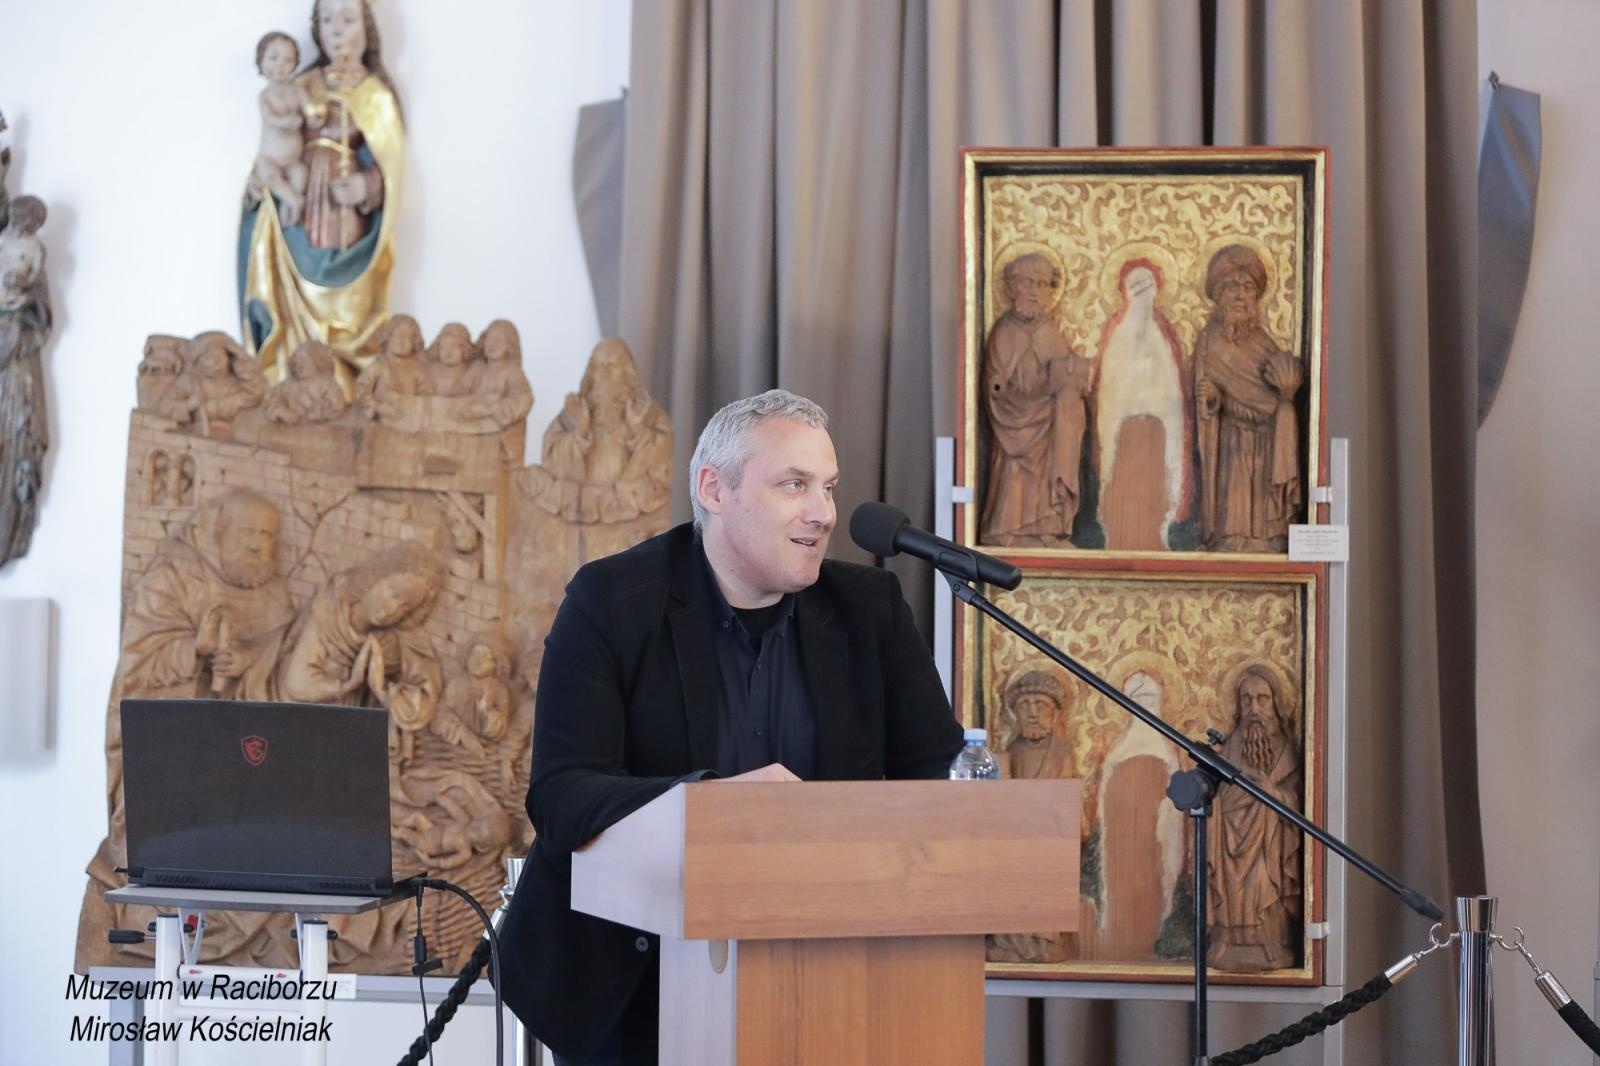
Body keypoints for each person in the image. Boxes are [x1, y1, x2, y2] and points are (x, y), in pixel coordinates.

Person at [497, 389, 963, 1065]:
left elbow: (939, 781)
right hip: (630, 993)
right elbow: (563, 797)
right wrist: (716, 805)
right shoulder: (613, 601)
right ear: (714, 489)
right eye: (793, 485)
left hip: (828, 986)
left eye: (829, 488)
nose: (823, 514)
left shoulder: (870, 611)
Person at [1192, 245, 1303, 552]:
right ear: (1218, 295)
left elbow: (1274, 395)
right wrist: (1212, 399)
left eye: (1248, 288)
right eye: (1232, 287)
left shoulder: (1263, 343)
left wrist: (1285, 396)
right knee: (1235, 483)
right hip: (1230, 435)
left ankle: (1268, 536)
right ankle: (1230, 535)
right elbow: (1204, 396)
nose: (1240, 296)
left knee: (1261, 486)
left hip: (1267, 436)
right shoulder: (1208, 342)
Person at [979, 252, 1094, 547]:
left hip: (1050, 420)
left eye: (1042, 285)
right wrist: (1003, 391)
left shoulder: (1050, 331)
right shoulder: (1004, 330)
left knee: (1058, 442)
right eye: (1028, 282)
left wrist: (1071, 383)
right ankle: (1009, 531)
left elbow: (1064, 371)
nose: (1034, 291)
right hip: (1014, 416)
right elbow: (994, 379)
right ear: (1013, 286)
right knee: (1014, 473)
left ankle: (1048, 528)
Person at [1207, 665, 1303, 971]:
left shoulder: (1286, 749)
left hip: (1268, 844)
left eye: (1262, 699)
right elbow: (1216, 794)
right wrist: (1232, 797)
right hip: (1228, 839)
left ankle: (1270, 940)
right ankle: (1227, 938)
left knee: (1262, 882)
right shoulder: (1230, 747)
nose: (1254, 708)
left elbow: (1295, 800)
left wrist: (1271, 793)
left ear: (1275, 702)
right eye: (1246, 700)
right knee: (1230, 885)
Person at [252, 31, 311, 227]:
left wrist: (315, 116)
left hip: (293, 160)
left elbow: (310, 110)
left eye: (287, 60)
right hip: (270, 159)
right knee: (270, 177)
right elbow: (270, 119)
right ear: (261, 61)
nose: (280, 64)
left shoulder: (298, 91)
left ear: (295, 64)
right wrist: (287, 122)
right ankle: (293, 200)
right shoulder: (266, 96)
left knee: (301, 174)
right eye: (273, 58)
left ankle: (290, 207)